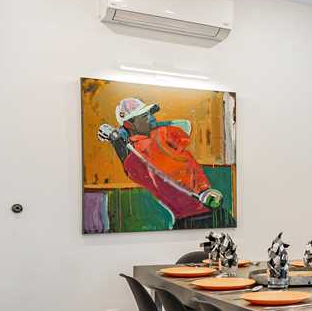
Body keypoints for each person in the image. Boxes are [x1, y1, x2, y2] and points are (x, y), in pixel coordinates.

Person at [96, 97, 230, 229]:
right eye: (145, 116)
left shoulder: (162, 133)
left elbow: (185, 125)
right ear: (130, 124)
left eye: (150, 114)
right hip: (191, 217)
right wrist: (117, 139)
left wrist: (121, 133)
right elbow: (133, 166)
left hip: (210, 205)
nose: (152, 118)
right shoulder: (136, 155)